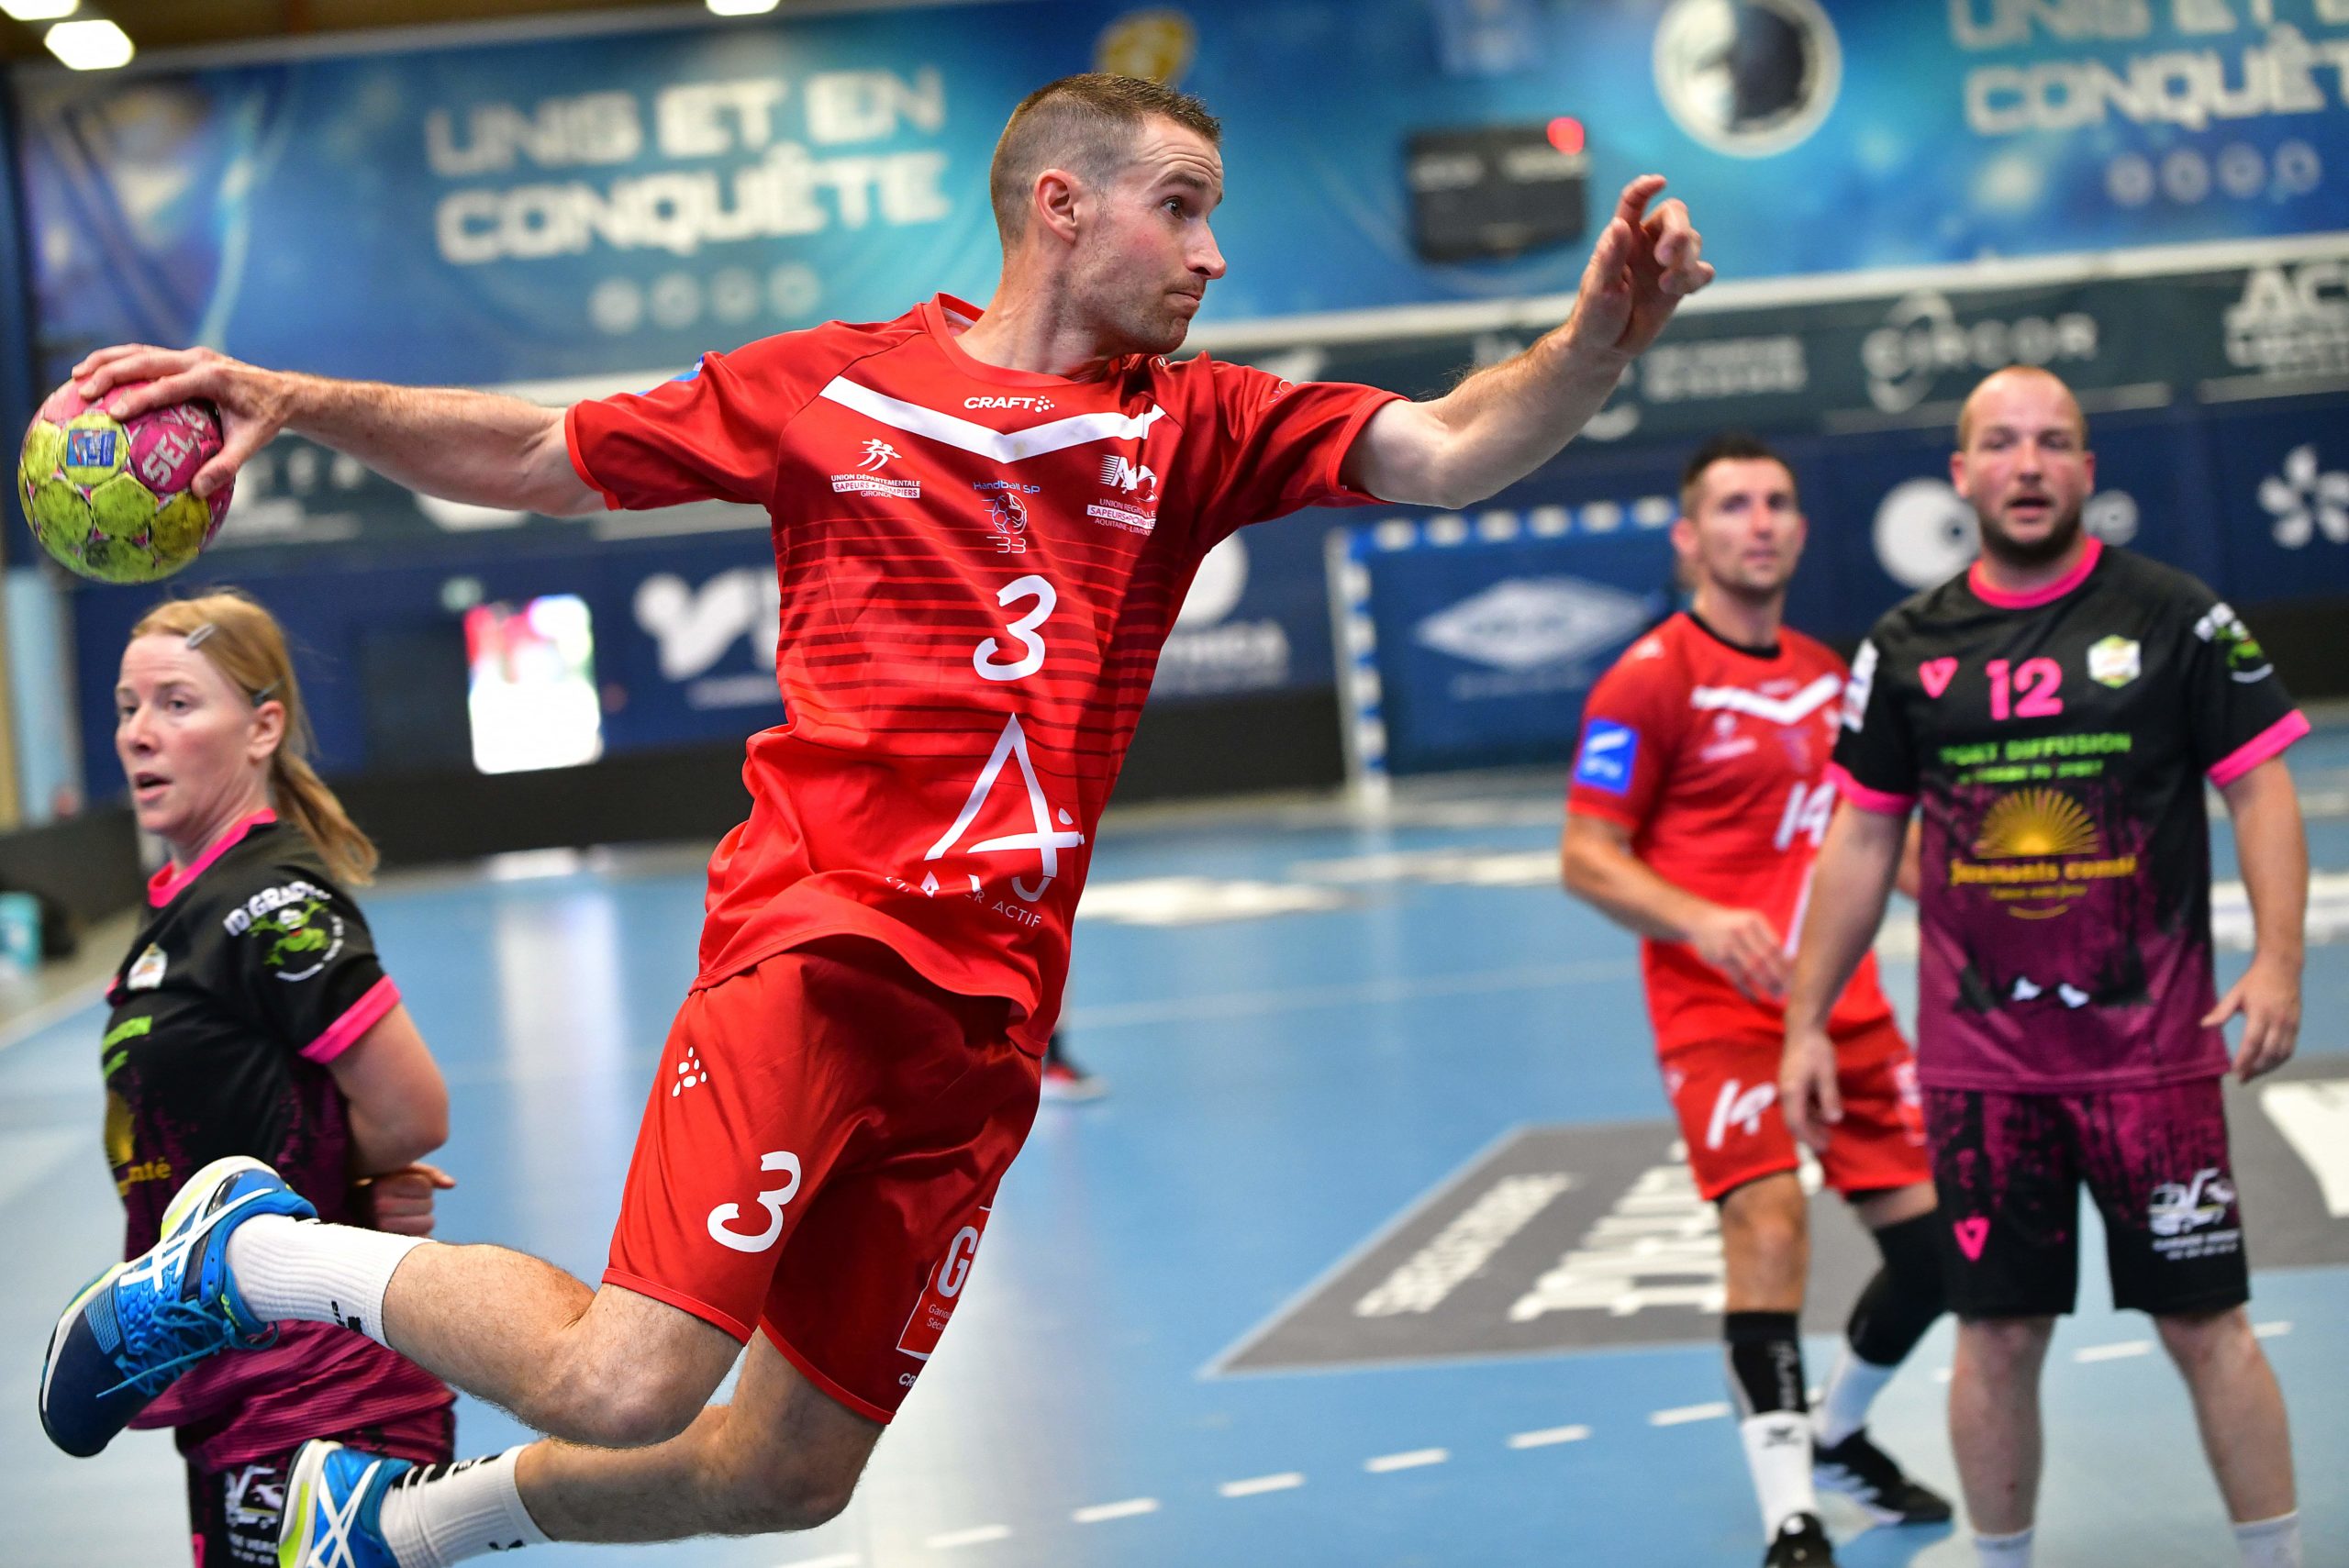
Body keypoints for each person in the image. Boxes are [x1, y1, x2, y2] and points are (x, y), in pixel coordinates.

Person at [40, 74, 1714, 1565]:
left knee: (786, 1473)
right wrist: (294, 394)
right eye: (1182, 207)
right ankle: (257, 1257)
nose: (1212, 255)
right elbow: (545, 450)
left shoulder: (1198, 425)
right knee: (629, 1379)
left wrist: (1593, 347)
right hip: (821, 950)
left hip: (988, 1026)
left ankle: (393, 1526)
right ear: (1063, 206)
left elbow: (1452, 444)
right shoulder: (835, 387)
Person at [1780, 367, 2309, 1568]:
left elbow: (2259, 786)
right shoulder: (1905, 647)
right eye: (2002, 443)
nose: (2028, 464)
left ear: (2087, 470)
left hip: (2152, 1062)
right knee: (1998, 1334)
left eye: (2054, 441)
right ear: (1960, 473)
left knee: (2205, 1323)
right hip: (1985, 1073)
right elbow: (1861, 841)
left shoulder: (2177, 617)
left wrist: (2277, 960)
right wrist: (1805, 1020)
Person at [1563, 435, 1950, 1568]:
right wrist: (1701, 917)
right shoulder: (1649, 677)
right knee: (1769, 1223)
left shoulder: (1831, 674)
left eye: (1776, 501)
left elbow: (1880, 846)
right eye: (1733, 505)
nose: (1760, 521)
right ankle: (1792, 1515)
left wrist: (2002, 898)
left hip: (1845, 1003)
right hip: (1718, 1011)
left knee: (1941, 1253)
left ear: (1801, 528)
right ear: (1689, 537)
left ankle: (1836, 1432)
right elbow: (1586, 855)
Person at [49, 590, 460, 1565]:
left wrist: (335, 1182)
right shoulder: (183, 908)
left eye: (177, 703)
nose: (139, 732)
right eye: (127, 706)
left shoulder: (270, 903)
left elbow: (412, 1108)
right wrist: (340, 1171)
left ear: (262, 727)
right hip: (230, 1380)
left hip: (318, 1388)